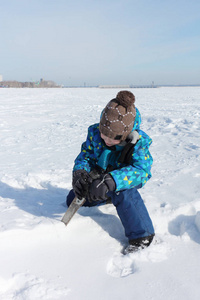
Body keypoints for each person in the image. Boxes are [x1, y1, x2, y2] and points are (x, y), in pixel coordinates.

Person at [66, 90, 155, 254]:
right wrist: (80, 173)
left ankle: (142, 236)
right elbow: (86, 155)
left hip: (121, 182)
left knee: (123, 194)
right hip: (100, 180)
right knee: (72, 198)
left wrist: (112, 181)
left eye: (113, 138)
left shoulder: (137, 144)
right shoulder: (94, 134)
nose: (106, 140)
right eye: (104, 134)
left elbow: (142, 170)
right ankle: (104, 197)